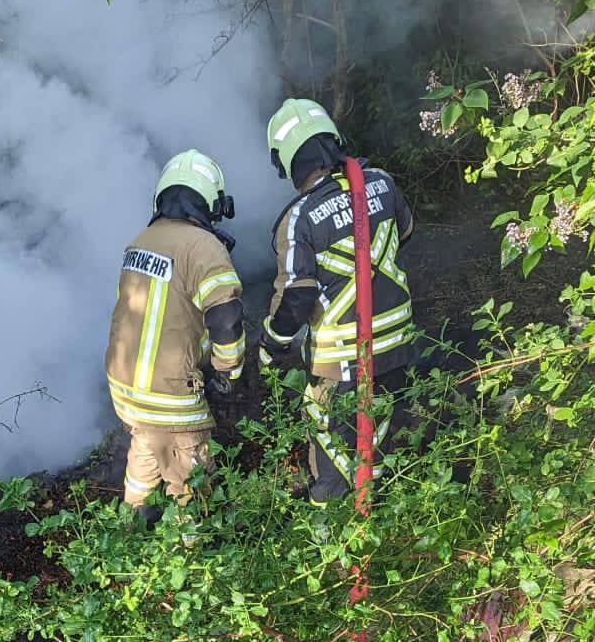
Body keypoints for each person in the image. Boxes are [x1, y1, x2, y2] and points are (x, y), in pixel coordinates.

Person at [258, 99, 415, 504]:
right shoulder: (382, 183)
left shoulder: (300, 218)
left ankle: (332, 532)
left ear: (288, 162)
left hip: (343, 362)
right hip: (397, 348)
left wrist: (271, 345)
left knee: (332, 459)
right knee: (381, 440)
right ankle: (383, 516)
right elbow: (405, 231)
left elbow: (297, 296)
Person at [105, 150, 245, 523]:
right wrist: (227, 372)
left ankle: (128, 532)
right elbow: (226, 318)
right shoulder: (204, 247)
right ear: (210, 201)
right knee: (192, 486)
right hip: (171, 399)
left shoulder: (139, 242)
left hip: (127, 393)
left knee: (145, 455)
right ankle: (190, 546)